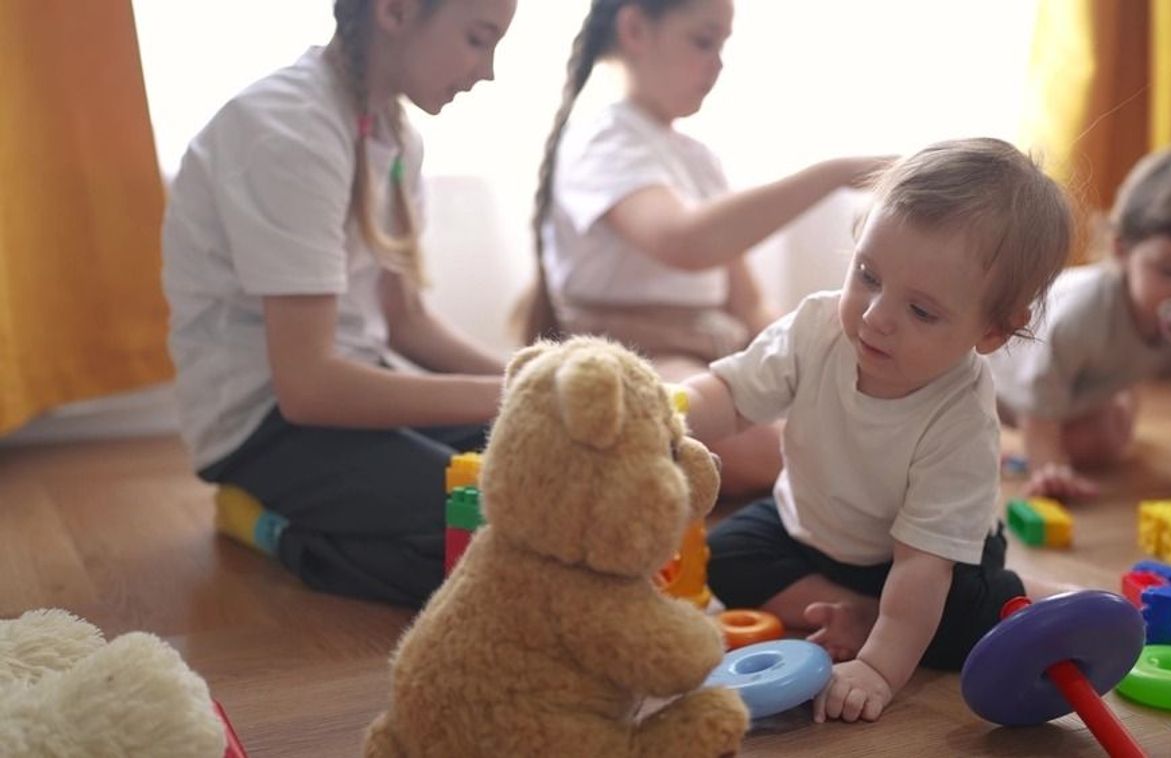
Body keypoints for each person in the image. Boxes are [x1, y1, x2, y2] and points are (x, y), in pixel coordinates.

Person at [681, 139, 1074, 723]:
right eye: (867, 275)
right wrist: (659, 413)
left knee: (956, 624)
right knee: (727, 558)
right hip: (809, 525)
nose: (875, 316)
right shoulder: (818, 326)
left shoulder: (961, 418)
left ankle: (1036, 598)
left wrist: (877, 667)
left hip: (924, 556)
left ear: (992, 332)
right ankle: (862, 610)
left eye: (920, 311)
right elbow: (731, 398)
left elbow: (919, 567)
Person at [160, 0, 517, 607]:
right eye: (478, 38)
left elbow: (408, 323)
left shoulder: (395, 134)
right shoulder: (288, 131)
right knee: (489, 545)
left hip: (353, 392)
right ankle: (268, 526)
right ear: (396, 11)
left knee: (560, 462)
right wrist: (516, 392)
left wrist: (540, 375)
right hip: (264, 422)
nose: (487, 71)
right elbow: (308, 387)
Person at [518, 0, 889, 494]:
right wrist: (834, 174)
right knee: (762, 448)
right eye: (702, 40)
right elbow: (684, 239)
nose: (717, 63)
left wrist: (814, 360)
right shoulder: (603, 138)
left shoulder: (698, 159)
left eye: (723, 45)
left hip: (711, 345)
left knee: (852, 410)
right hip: (631, 351)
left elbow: (749, 300)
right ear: (634, 29)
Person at [989, 140, 1171, 509]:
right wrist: (1049, 467)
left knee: (1109, 443)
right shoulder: (1084, 309)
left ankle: (1119, 401)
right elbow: (1040, 394)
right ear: (1122, 249)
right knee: (968, 436)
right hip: (999, 385)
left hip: (1077, 393)